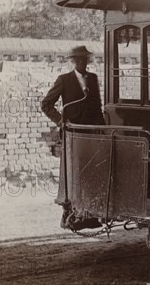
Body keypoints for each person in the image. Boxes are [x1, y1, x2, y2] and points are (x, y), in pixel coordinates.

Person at [41, 45, 104, 229]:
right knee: (72, 174)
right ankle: (69, 215)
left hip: (90, 134)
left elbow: (97, 106)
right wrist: (61, 122)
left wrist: (101, 129)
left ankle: (88, 216)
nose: (82, 62)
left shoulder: (92, 79)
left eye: (85, 59)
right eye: (78, 59)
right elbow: (46, 104)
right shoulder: (64, 80)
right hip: (72, 135)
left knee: (90, 173)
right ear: (73, 61)